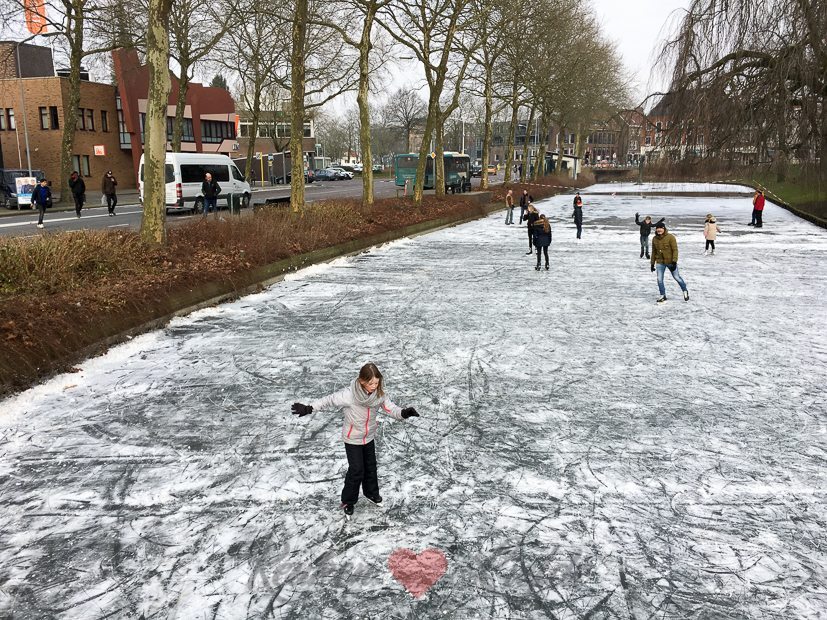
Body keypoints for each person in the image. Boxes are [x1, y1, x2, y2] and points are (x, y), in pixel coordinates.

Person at [291, 363, 420, 518]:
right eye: (371, 383)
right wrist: (309, 408)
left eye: (377, 382)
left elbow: (391, 409)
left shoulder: (379, 394)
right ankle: (348, 501)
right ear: (362, 381)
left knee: (370, 467)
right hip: (352, 438)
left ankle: (371, 493)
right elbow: (329, 400)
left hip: (368, 437)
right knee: (357, 470)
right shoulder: (349, 395)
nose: (374, 386)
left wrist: (404, 413)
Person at [651, 222, 689, 303]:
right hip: (660, 262)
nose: (659, 230)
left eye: (661, 228)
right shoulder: (654, 238)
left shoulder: (670, 237)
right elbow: (654, 252)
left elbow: (675, 250)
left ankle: (685, 291)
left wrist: (674, 261)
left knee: (677, 277)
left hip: (670, 261)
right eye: (657, 228)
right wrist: (652, 263)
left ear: (664, 229)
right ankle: (663, 295)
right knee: (659, 279)